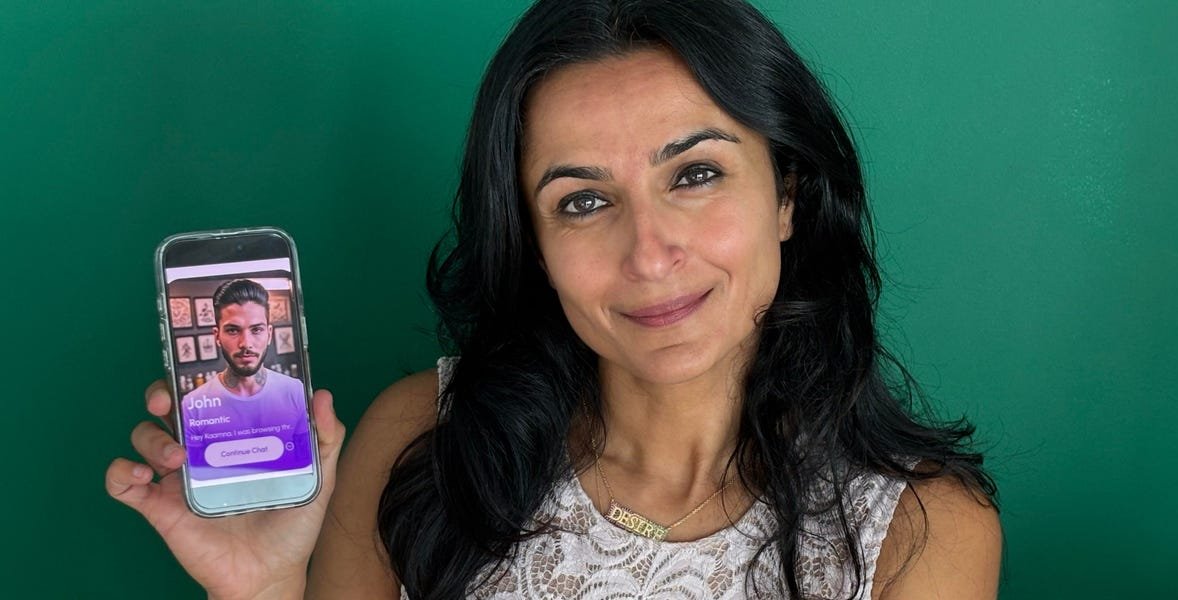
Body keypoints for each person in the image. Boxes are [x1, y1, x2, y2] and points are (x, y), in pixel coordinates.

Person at [106, 1, 1001, 598]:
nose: (649, 253)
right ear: (532, 244)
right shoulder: (416, 442)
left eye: (695, 174)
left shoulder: (922, 533)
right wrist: (263, 589)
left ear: (787, 196)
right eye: (582, 201)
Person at [181, 279, 311, 481]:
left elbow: (304, 462)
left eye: (256, 329)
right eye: (233, 330)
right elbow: (198, 476)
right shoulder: (193, 404)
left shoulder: (294, 390)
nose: (246, 343)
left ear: (269, 334)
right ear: (217, 336)